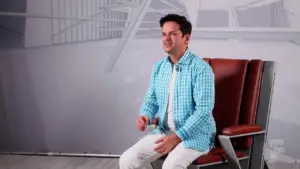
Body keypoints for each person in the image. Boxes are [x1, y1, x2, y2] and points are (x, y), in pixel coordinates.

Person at [119, 13, 216, 169]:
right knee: (127, 159)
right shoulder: (159, 67)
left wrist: (177, 137)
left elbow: (204, 111)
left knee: (170, 166)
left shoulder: (201, 69)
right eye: (164, 34)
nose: (166, 38)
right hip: (164, 132)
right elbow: (151, 100)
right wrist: (146, 115)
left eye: (173, 34)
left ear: (186, 38)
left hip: (195, 136)